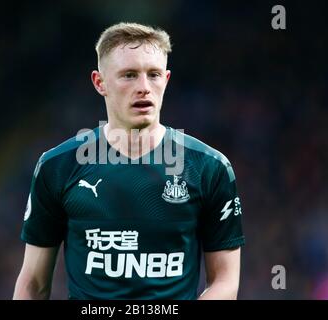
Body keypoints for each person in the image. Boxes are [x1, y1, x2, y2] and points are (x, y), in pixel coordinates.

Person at [13, 22, 245, 300]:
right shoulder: (57, 167)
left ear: (167, 80)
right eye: (129, 75)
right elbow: (33, 284)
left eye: (154, 75)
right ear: (100, 83)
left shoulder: (209, 168)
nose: (144, 87)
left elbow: (225, 280)